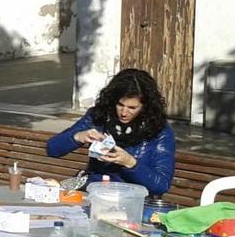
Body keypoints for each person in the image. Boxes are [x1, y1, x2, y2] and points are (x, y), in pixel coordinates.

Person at [46, 68, 176, 196]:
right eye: (120, 105)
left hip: (133, 199)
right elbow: (52, 149)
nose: (124, 113)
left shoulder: (159, 130)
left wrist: (130, 163)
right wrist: (78, 137)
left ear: (145, 106)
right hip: (95, 193)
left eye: (132, 108)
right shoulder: (99, 117)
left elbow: (161, 185)